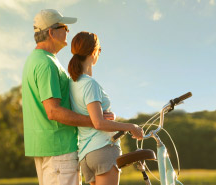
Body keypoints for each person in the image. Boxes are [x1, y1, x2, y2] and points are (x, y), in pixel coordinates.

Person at [21, 9, 144, 185]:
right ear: (51, 32)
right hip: (59, 149)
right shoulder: (47, 64)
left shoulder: (34, 60)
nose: (67, 31)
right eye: (64, 27)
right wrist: (96, 120)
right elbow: (53, 111)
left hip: (46, 149)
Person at [67, 31, 140, 185]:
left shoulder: (72, 84)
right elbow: (99, 123)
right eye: (99, 49)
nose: (99, 53)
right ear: (93, 52)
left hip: (86, 155)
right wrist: (131, 126)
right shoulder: (89, 84)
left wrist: (105, 114)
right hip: (103, 150)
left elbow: (90, 115)